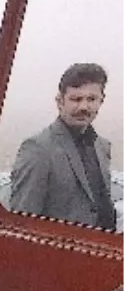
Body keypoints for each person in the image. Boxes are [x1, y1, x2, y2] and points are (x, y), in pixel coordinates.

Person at [11, 63, 115, 231]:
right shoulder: (38, 149)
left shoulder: (102, 147)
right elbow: (22, 223)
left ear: (101, 101)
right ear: (60, 101)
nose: (84, 107)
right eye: (76, 99)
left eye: (91, 99)